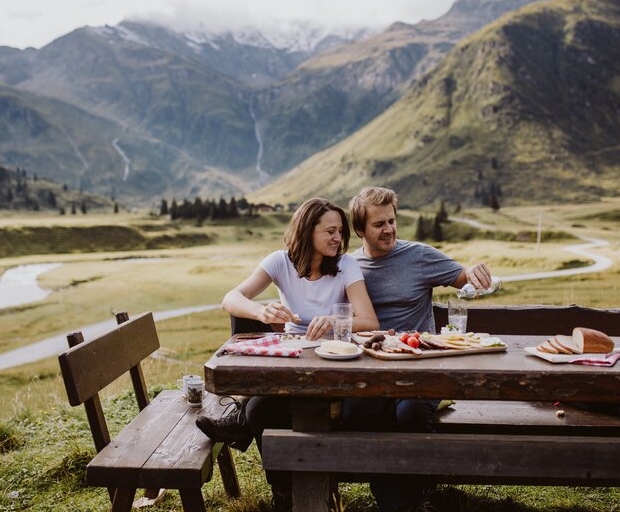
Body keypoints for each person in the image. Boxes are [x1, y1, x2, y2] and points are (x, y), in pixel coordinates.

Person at [196, 197, 379, 510]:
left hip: (333, 360)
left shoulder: (346, 265)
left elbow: (370, 321)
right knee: (261, 407)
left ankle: (240, 421)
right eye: (330, 231)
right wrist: (262, 311)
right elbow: (231, 298)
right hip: (291, 358)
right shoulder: (280, 261)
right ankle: (284, 492)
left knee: (258, 411)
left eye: (340, 231)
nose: (338, 238)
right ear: (307, 232)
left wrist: (336, 320)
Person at [343, 185, 493, 511]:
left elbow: (463, 278)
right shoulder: (349, 267)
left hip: (422, 367)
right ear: (359, 231)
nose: (390, 230)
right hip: (371, 369)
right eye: (379, 224)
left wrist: (476, 274)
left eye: (392, 221)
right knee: (357, 412)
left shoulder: (419, 256)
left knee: (408, 412)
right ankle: (404, 503)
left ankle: (413, 500)